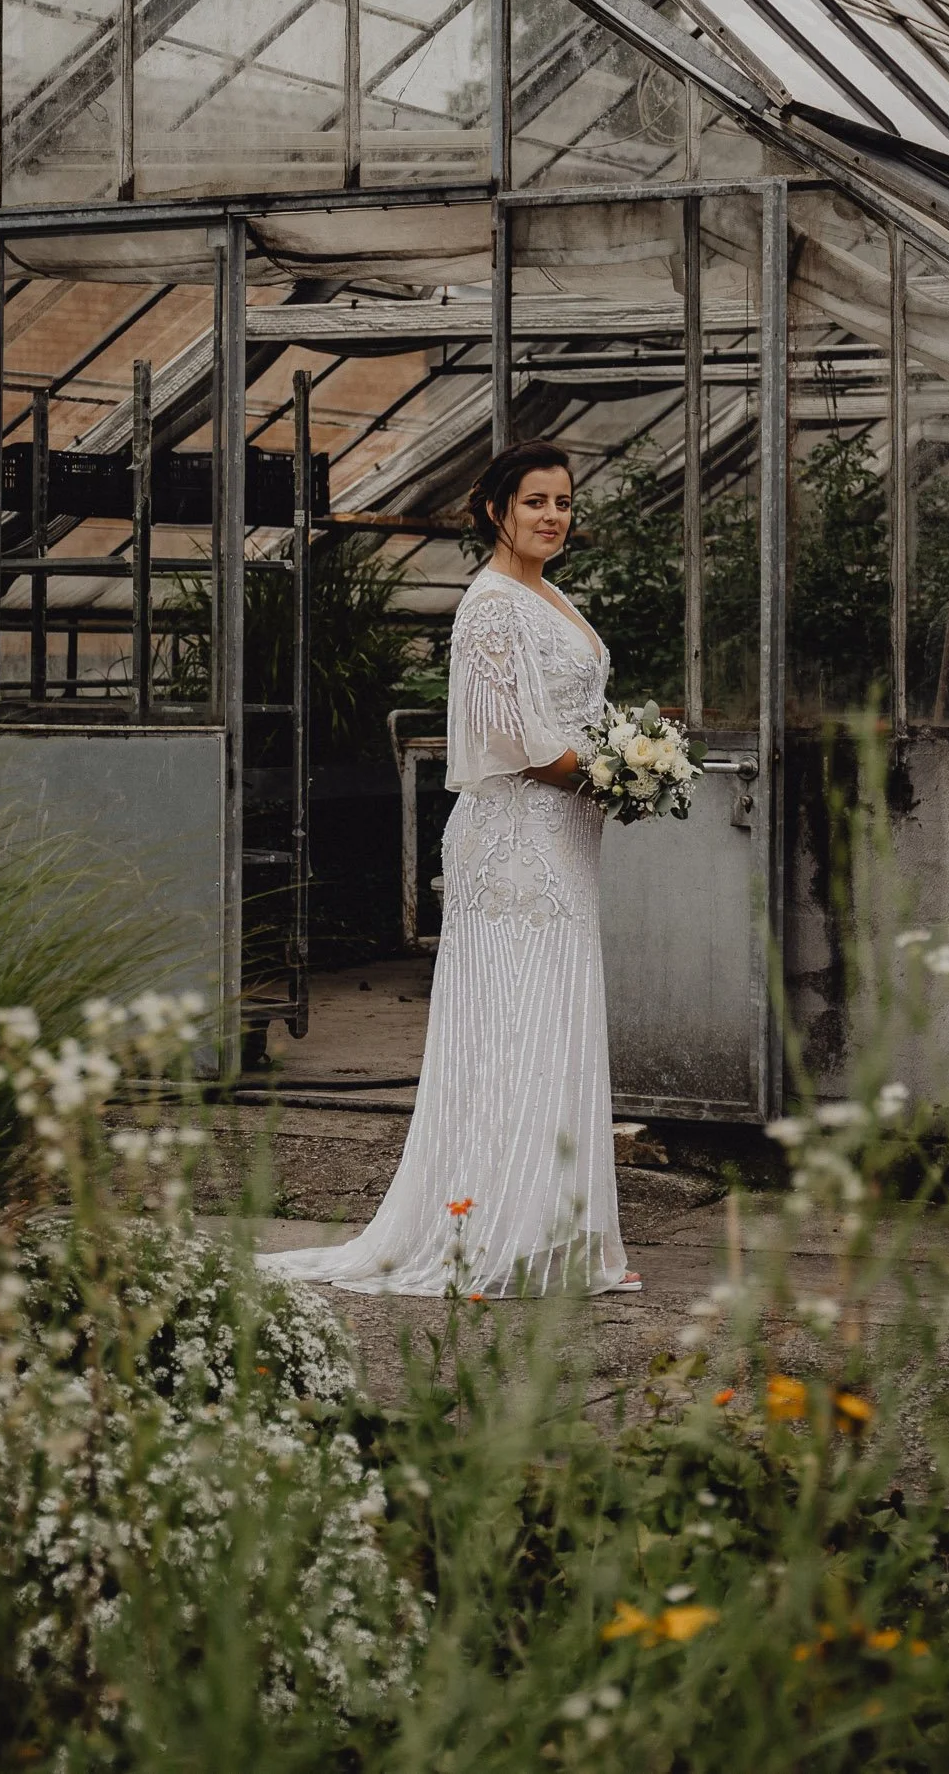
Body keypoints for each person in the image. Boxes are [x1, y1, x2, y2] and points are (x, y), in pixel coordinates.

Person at [257, 440, 637, 1298]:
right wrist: (617, 776)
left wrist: (624, 767)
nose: (552, 516)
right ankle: (494, 1238)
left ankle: (560, 1237)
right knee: (513, 1028)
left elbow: (576, 712)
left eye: (564, 502)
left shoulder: (549, 594)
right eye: (535, 501)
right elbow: (511, 739)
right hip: (515, 844)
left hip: (563, 838)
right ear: (496, 509)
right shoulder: (491, 606)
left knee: (555, 1024)